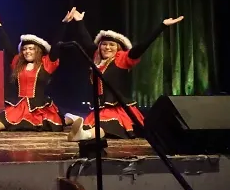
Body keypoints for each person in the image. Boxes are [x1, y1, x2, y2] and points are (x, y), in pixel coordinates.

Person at [66, 9, 185, 141]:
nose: (107, 47)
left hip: (119, 108)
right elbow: (86, 41)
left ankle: (84, 134)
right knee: (98, 123)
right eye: (104, 44)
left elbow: (141, 47)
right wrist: (79, 21)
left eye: (112, 45)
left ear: (118, 48)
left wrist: (162, 26)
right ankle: (80, 128)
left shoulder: (121, 59)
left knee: (107, 125)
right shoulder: (97, 59)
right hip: (101, 107)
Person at [0, 9, 74, 134]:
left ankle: (73, 118)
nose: (27, 51)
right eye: (24, 49)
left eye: (31, 49)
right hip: (20, 105)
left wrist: (64, 23)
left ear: (38, 51)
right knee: (2, 121)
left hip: (40, 107)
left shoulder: (46, 63)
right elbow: (7, 46)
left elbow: (56, 45)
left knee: (58, 121)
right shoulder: (18, 63)